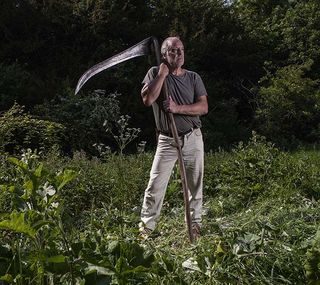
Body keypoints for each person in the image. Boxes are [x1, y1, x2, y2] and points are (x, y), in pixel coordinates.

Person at [139, 36, 208, 239]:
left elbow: (203, 107)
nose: (178, 54)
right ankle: (146, 228)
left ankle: (195, 225)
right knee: (155, 185)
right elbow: (147, 99)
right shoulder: (154, 72)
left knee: (195, 184)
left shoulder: (193, 77)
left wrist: (177, 108)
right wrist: (161, 75)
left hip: (192, 137)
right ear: (164, 55)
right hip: (167, 140)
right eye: (173, 51)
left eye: (181, 50)